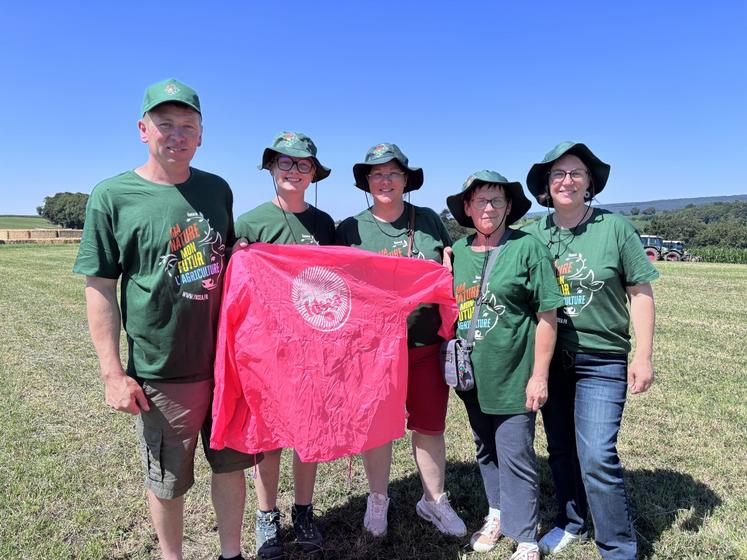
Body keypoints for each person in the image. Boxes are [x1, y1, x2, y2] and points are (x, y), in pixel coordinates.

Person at [73, 78, 260, 560]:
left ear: (201, 135)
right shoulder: (112, 195)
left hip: (225, 366)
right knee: (168, 481)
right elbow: (99, 289)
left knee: (231, 467)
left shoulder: (217, 190)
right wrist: (112, 373)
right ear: (142, 129)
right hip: (161, 369)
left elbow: (230, 263)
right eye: (165, 124)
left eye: (187, 126)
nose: (176, 135)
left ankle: (231, 554)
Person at [523, 142, 658, 559]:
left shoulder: (615, 229)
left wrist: (643, 354)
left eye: (576, 173)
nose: (567, 180)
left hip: (602, 358)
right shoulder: (530, 233)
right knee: (561, 448)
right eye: (558, 174)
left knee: (597, 454)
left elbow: (640, 292)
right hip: (549, 359)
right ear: (546, 185)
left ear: (590, 182)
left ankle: (617, 546)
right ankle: (572, 521)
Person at [335, 143, 467, 538]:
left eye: (393, 173)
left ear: (406, 181)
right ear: (367, 182)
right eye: (377, 174)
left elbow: (451, 268)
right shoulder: (350, 228)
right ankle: (378, 500)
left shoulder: (428, 221)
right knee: (377, 427)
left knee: (429, 426)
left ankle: (434, 500)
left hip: (425, 346)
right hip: (371, 352)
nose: (385, 180)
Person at [446, 170, 563, 560]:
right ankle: (496, 514)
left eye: (497, 200)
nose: (489, 207)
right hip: (472, 377)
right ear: (467, 207)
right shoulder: (458, 252)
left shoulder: (527, 248)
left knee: (515, 454)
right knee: (485, 450)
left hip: (515, 373)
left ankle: (526, 536)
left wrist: (539, 375)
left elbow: (547, 315)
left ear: (509, 206)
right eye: (480, 200)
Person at [234, 131, 335, 559]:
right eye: (285, 163)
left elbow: (340, 283)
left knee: (308, 434)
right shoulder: (250, 223)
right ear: (272, 169)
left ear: (313, 173)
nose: (294, 171)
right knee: (269, 435)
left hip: (314, 348)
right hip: (268, 350)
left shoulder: (325, 223)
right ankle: (266, 517)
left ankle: (305, 512)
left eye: (303, 164)